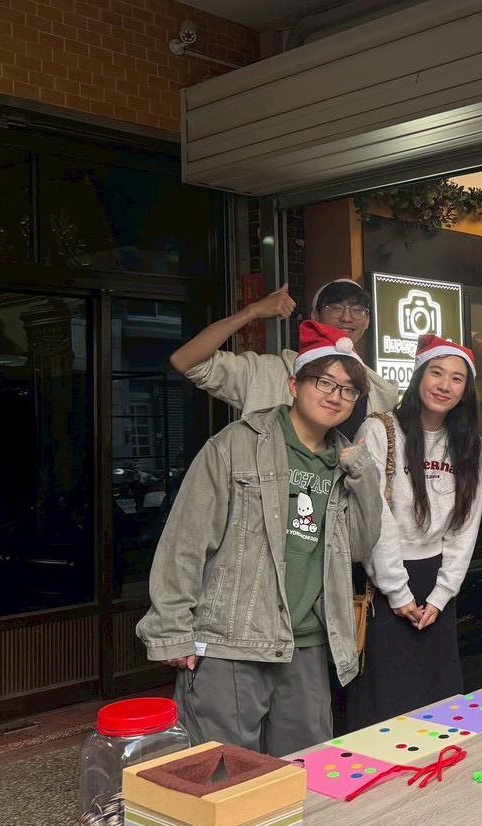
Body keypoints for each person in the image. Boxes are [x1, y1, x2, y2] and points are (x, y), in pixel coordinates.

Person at [137, 321, 381, 756]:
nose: (335, 395)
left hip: (307, 643)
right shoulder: (235, 445)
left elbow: (360, 547)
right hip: (232, 639)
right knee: (224, 772)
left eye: (348, 390)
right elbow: (186, 539)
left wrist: (364, 477)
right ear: (294, 384)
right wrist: (171, 628)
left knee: (305, 771)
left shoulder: (347, 465)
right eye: (324, 382)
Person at [347, 334, 482, 725]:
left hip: (437, 582)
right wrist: (398, 590)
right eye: (436, 373)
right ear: (419, 375)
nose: (445, 385)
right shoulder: (381, 430)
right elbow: (375, 515)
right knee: (384, 706)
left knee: (438, 705)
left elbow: (465, 525)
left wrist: (442, 594)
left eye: (457, 378)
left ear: (466, 390)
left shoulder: (469, 444)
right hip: (383, 579)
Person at [169, 276, 398, 436]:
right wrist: (252, 311)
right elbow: (185, 360)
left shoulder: (380, 392)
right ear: (315, 316)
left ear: (367, 321)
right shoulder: (266, 373)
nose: (347, 318)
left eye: (358, 310)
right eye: (336, 308)